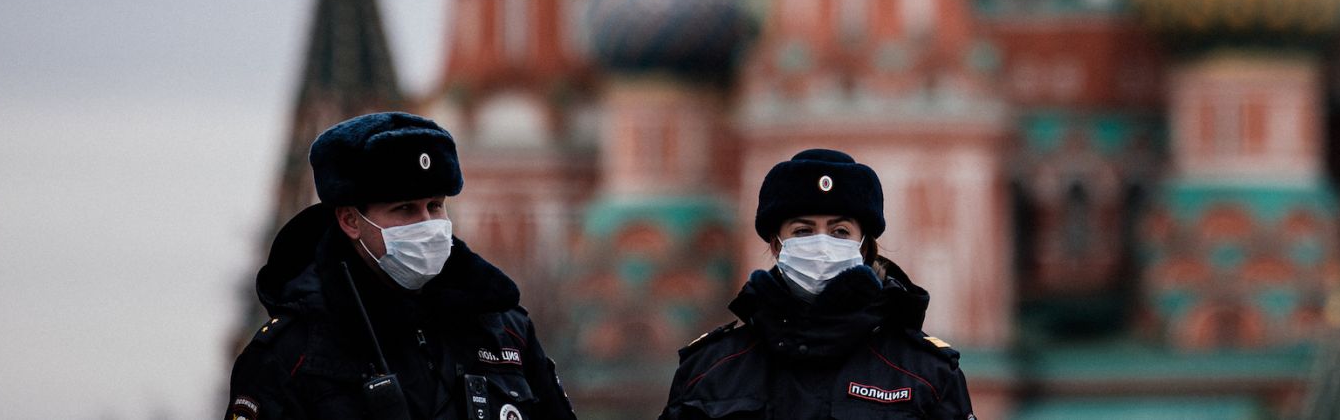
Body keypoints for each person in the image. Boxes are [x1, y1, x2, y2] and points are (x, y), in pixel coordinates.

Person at [225, 111, 575, 420]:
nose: (426, 224)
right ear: (350, 220)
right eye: (405, 209)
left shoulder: (505, 331)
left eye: (435, 206)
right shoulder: (293, 354)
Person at [658, 149, 977, 420]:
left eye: (839, 232)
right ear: (776, 243)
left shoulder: (924, 372)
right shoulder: (711, 367)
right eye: (802, 231)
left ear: (863, 246)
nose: (822, 244)